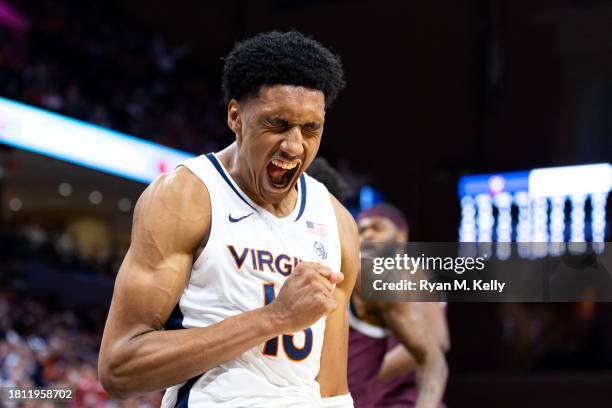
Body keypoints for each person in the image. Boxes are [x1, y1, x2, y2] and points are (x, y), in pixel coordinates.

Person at [98, 31, 359, 407]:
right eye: (277, 124)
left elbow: (333, 390)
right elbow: (119, 368)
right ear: (235, 116)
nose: (294, 145)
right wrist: (274, 318)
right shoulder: (186, 197)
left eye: (310, 129)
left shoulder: (336, 221)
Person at [349, 203, 450, 408]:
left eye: (377, 228)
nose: (367, 235)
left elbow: (438, 341)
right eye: (361, 230)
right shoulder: (361, 282)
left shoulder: (411, 272)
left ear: (402, 236)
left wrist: (365, 373)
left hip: (406, 400)